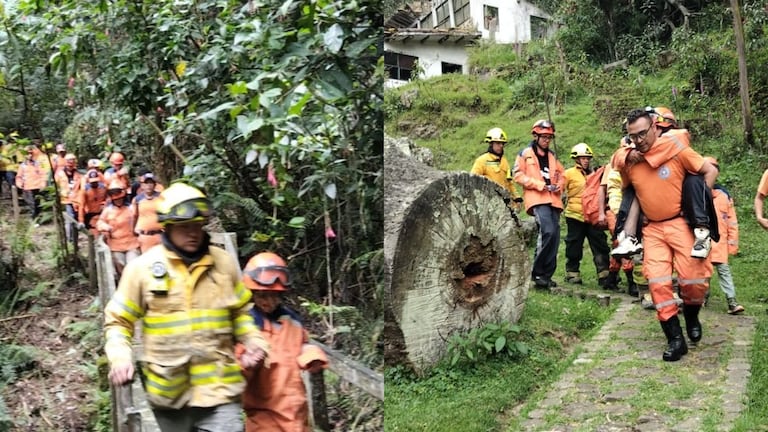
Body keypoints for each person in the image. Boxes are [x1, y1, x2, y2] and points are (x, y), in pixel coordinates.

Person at [103, 181, 270, 432]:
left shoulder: (223, 263)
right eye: (185, 227)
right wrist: (120, 357)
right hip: (169, 396)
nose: (193, 233)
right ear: (168, 227)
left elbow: (240, 313)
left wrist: (253, 341)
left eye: (197, 225)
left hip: (220, 390)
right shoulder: (143, 268)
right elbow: (118, 321)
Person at [613, 108, 718, 362]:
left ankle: (691, 316)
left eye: (642, 133)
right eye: (633, 136)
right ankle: (675, 339)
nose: (639, 140)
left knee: (694, 279)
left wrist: (698, 203)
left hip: (681, 223)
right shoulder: (631, 160)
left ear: (654, 127)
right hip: (653, 229)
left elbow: (709, 171)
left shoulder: (676, 149)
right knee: (658, 283)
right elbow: (628, 190)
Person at [236, 252, 329, 432]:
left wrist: (311, 355)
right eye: (263, 295)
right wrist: (246, 364)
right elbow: (233, 372)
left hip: (297, 412)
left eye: (274, 295)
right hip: (264, 416)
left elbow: (302, 343)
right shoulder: (246, 327)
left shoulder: (292, 321)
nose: (269, 301)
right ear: (252, 294)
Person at [513, 119, 565, 288]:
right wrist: (540, 185)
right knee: (547, 231)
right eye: (543, 137)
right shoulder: (525, 153)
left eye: (549, 137)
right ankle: (537, 273)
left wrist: (559, 185)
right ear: (535, 136)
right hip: (537, 198)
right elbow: (517, 175)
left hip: (554, 200)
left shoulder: (552, 156)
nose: (546, 140)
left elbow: (562, 174)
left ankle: (547, 275)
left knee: (555, 236)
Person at [561, 143, 610, 286]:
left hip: (592, 215)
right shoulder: (569, 174)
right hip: (574, 215)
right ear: (576, 159)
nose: (586, 161)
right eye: (583, 158)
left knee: (599, 243)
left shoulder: (596, 174)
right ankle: (572, 273)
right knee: (574, 244)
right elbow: (560, 190)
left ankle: (604, 273)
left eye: (588, 158)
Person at [703, 157, 744, 314]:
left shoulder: (724, 195)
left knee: (724, 272)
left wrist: (732, 244)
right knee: (702, 273)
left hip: (720, 244)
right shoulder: (696, 192)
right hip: (702, 242)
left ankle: (732, 302)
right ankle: (701, 299)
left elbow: (732, 222)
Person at [97, 181, 140, 279]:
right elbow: (100, 222)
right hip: (115, 245)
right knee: (120, 268)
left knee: (132, 266)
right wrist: (105, 227)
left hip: (132, 243)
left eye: (120, 199)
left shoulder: (131, 208)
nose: (118, 201)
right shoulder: (108, 210)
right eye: (116, 199)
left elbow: (139, 219)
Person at [470, 127, 522, 210]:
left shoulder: (504, 162)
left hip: (505, 204)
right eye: (498, 143)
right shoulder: (482, 161)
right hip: (488, 204)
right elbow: (472, 181)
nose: (501, 146)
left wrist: (517, 198)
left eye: (502, 143)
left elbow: (509, 183)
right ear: (491, 144)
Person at [15, 143, 51, 221]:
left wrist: (43, 183)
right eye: (28, 154)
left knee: (37, 204)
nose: (30, 155)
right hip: (27, 187)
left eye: (31, 153)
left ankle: (37, 218)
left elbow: (42, 174)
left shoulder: (37, 164)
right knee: (31, 203)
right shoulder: (23, 165)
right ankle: (34, 219)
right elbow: (19, 176)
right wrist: (19, 183)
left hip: (37, 186)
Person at [53, 153, 83, 243]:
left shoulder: (78, 174)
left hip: (76, 199)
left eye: (72, 163)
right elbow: (55, 186)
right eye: (69, 163)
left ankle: (74, 238)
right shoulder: (60, 174)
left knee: (75, 218)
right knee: (70, 218)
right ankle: (69, 238)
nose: (70, 165)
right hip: (65, 199)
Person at [133, 171, 164, 253]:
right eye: (146, 183)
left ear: (155, 185)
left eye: (151, 183)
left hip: (160, 235)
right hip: (145, 236)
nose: (148, 185)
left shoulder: (162, 197)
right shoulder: (137, 199)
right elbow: (135, 216)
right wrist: (133, 231)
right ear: (142, 185)